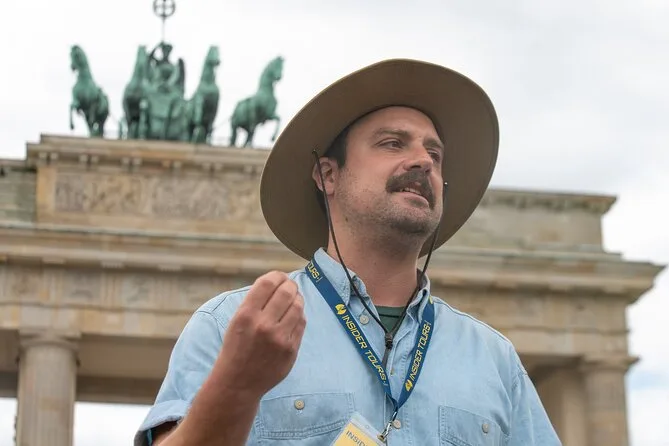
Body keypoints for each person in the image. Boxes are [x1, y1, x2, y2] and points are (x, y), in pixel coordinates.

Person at [134, 59, 561, 445]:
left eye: (434, 153)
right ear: (328, 175)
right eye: (393, 143)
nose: (424, 161)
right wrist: (237, 385)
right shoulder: (230, 325)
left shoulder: (495, 360)